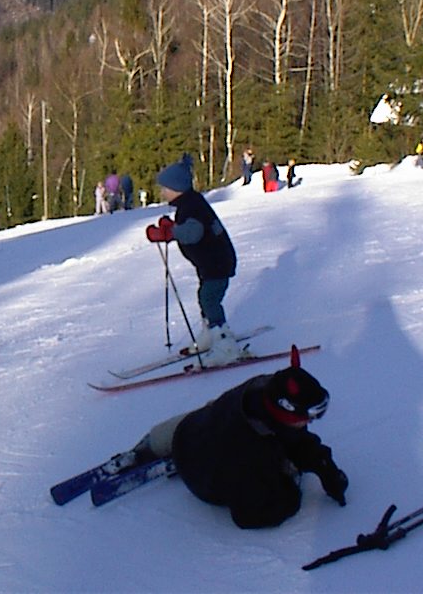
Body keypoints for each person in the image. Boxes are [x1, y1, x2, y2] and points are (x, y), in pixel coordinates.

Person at [118, 346, 348, 529]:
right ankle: (177, 457)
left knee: (205, 416)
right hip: (203, 477)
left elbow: (295, 437)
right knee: (273, 471)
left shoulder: (263, 388)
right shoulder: (252, 455)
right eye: (310, 415)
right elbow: (250, 516)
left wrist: (322, 464)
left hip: (191, 427)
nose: (312, 422)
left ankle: (152, 445)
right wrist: (291, 491)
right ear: (285, 411)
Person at [146, 153, 240, 364]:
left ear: (176, 189)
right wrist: (171, 229)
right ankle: (210, 334)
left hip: (217, 262)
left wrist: (169, 233)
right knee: (205, 296)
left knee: (209, 299)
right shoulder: (189, 203)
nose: (162, 192)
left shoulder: (191, 207)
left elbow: (193, 233)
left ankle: (224, 343)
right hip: (211, 263)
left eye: (165, 189)